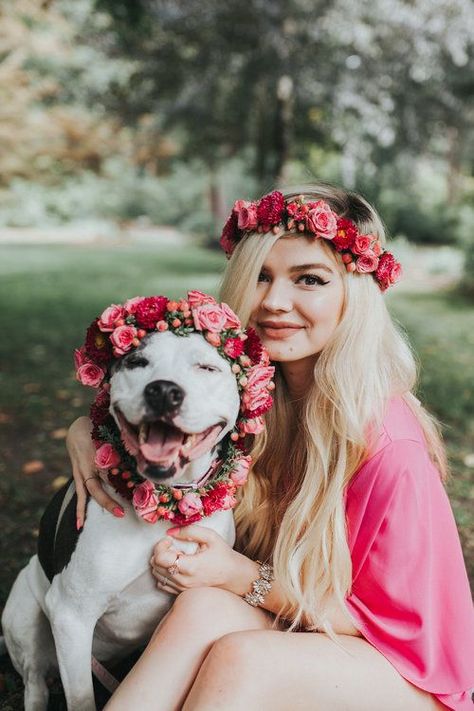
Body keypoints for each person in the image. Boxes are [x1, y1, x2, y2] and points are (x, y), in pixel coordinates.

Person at [66, 184, 474, 710]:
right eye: (261, 276)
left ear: (354, 293)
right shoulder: (250, 402)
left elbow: (395, 624)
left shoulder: (388, 443)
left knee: (242, 657)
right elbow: (161, 422)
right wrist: (89, 430)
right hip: (310, 631)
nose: (275, 302)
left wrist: (243, 576)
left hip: (409, 675)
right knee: (204, 608)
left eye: (309, 279)